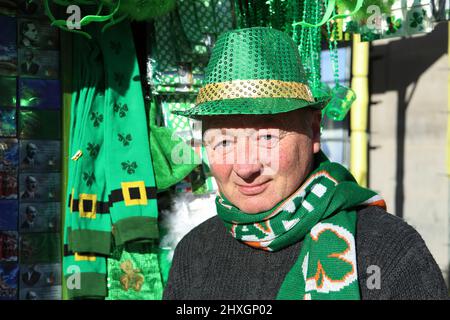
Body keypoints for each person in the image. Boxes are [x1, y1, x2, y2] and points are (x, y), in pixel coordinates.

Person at [163, 27, 449, 300]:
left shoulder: (388, 250)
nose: (246, 167)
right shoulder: (194, 251)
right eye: (224, 142)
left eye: (266, 136)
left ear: (314, 131)